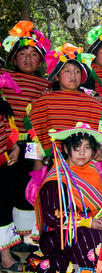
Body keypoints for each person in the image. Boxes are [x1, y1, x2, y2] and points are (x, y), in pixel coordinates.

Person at [23, 122, 102, 273]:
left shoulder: (92, 171)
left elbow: (101, 204)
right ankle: (86, 265)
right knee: (86, 235)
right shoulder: (56, 178)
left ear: (94, 151)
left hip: (89, 224)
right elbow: (53, 217)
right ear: (65, 149)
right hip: (60, 233)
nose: (82, 152)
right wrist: (87, 222)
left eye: (87, 147)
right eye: (76, 147)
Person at [1, 21, 51, 247]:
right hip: (7, 145)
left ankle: (26, 239)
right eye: (23, 53)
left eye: (34, 54)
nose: (29, 59)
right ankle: (5, 243)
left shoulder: (48, 85)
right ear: (13, 58)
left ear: (41, 60)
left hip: (34, 145)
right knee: (6, 190)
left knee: (30, 187)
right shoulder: (3, 79)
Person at [27, 43, 102, 160]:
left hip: (83, 162)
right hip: (51, 162)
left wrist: (100, 148)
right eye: (67, 71)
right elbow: (33, 130)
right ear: (56, 77)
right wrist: (35, 161)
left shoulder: (93, 104)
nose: (73, 75)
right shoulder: (44, 101)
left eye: (77, 71)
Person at [0, 73, 23, 273]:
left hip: (2, 160)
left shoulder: (2, 99)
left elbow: (8, 128)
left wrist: (14, 147)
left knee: (3, 205)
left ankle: (5, 257)